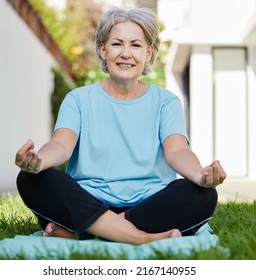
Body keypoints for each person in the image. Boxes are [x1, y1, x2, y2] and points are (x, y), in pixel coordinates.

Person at [15, 7, 226, 245]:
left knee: (203, 195)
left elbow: (177, 150)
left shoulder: (166, 102)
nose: (126, 53)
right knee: (30, 179)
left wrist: (199, 175)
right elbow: (61, 144)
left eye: (136, 45)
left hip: (149, 204)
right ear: (103, 50)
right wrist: (39, 161)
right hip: (89, 201)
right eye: (117, 44)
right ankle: (140, 237)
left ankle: (86, 232)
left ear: (148, 52)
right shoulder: (78, 99)